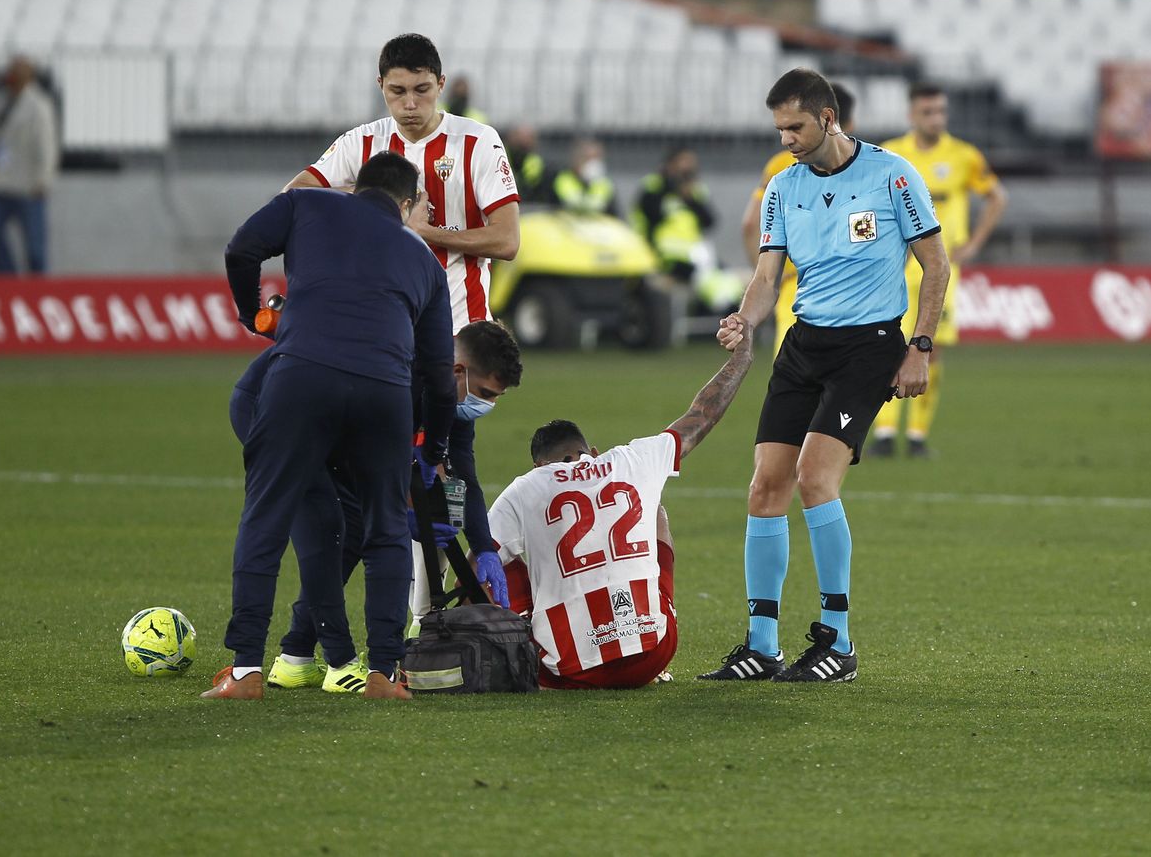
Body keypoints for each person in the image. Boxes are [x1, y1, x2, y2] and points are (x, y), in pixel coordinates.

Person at [701, 68, 947, 684]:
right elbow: (767, 277)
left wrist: (919, 348)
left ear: (828, 119)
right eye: (779, 128)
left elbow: (936, 266)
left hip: (868, 350)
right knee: (764, 487)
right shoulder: (783, 188)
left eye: (795, 126)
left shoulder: (892, 175)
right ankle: (762, 644)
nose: (786, 138)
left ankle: (838, 642)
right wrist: (745, 320)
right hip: (802, 347)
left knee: (815, 479)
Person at [204, 152, 456, 701]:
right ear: (408, 205)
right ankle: (386, 675)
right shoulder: (426, 263)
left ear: (353, 188)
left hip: (301, 378)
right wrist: (434, 447)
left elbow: (240, 249)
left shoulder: (305, 203)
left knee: (267, 515)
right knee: (387, 529)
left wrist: (253, 314)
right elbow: (438, 375)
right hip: (385, 392)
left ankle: (246, 671)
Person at [251, 320, 523, 691]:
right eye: (485, 392)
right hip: (283, 414)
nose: (486, 405)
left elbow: (465, 477)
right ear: (458, 370)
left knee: (355, 531)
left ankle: (296, 656)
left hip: (337, 430)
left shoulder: (450, 397)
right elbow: (362, 455)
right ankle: (341, 661)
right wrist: (406, 505)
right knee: (343, 531)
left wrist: (483, 546)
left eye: (496, 398)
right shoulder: (398, 369)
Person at [487, 342, 754, 689]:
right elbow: (702, 414)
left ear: (540, 466)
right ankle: (647, 622)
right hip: (653, 654)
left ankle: (531, 643)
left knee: (494, 553)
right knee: (654, 509)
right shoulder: (632, 460)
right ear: (592, 453)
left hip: (567, 672)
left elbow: (475, 569)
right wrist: (742, 358)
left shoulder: (526, 487)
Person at [285, 33, 520, 333]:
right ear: (381, 85)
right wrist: (379, 198)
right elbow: (292, 196)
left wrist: (427, 233)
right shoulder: (362, 142)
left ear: (441, 85)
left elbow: (507, 240)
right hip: (379, 331)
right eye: (397, 91)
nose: (410, 104)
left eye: (421, 90)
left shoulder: (477, 142)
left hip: (460, 333)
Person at [869, 83, 1008, 459]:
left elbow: (997, 197)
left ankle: (916, 434)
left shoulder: (963, 156)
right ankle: (883, 432)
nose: (937, 119)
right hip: (895, 268)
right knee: (886, 346)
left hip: (940, 271)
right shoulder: (890, 154)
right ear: (912, 115)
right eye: (929, 112)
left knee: (931, 350)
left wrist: (975, 243)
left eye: (941, 111)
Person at [739, 81, 858, 351]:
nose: (787, 139)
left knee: (796, 380)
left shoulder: (779, 167)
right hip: (856, 292)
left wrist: (766, 277)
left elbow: (749, 224)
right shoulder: (870, 168)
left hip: (797, 287)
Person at [0, 56, 59, 274]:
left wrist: (44, 179)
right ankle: (6, 276)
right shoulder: (2, 102)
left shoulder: (38, 106)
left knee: (34, 245)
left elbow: (47, 144)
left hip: (28, 185)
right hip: (1, 183)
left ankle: (37, 288)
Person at [633, 146, 716, 284]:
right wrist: (671, 187)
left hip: (693, 253)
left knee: (719, 275)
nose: (688, 169)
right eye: (684, 163)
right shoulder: (654, 187)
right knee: (702, 279)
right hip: (661, 254)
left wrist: (690, 199)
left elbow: (709, 221)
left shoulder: (695, 191)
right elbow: (650, 217)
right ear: (671, 165)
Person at [551, 138, 617, 215]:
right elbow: (574, 204)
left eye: (598, 159)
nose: (595, 164)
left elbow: (611, 212)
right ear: (577, 159)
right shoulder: (564, 179)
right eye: (590, 159)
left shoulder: (604, 183)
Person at [502, 122, 551, 204]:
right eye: (519, 137)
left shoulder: (537, 164)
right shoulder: (500, 157)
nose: (524, 141)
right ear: (511, 138)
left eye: (529, 138)